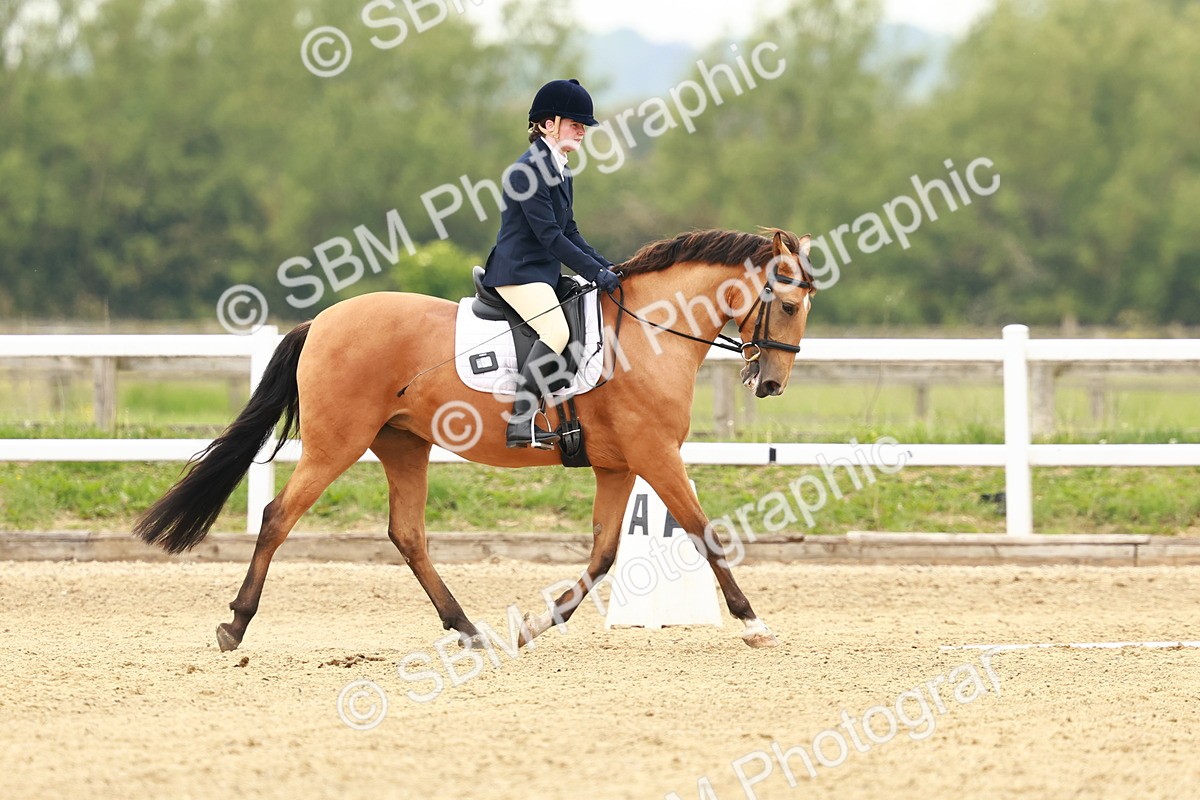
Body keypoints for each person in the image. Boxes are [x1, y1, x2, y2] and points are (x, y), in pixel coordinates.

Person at [482, 78, 621, 449]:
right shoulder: (526, 171)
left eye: (583, 126)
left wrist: (609, 267)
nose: (582, 131)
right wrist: (595, 273)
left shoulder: (561, 169)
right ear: (548, 124)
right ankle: (520, 421)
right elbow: (550, 237)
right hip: (517, 272)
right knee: (557, 332)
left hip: (541, 273)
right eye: (575, 124)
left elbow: (570, 231)